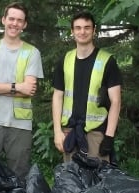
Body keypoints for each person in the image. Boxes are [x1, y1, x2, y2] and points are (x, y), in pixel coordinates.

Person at [0, 2, 43, 179]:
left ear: (24, 24)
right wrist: (16, 87)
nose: (15, 23)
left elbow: (28, 90)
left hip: (20, 124)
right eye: (11, 18)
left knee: (19, 177)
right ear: (3, 20)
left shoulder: (32, 52)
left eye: (19, 20)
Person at [52, 10, 122, 163]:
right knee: (72, 183)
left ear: (94, 30)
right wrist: (57, 131)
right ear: (72, 31)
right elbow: (57, 96)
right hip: (69, 133)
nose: (82, 31)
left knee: (97, 184)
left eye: (87, 27)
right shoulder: (65, 60)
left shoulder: (107, 61)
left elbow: (116, 101)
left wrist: (109, 137)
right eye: (78, 28)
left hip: (96, 134)